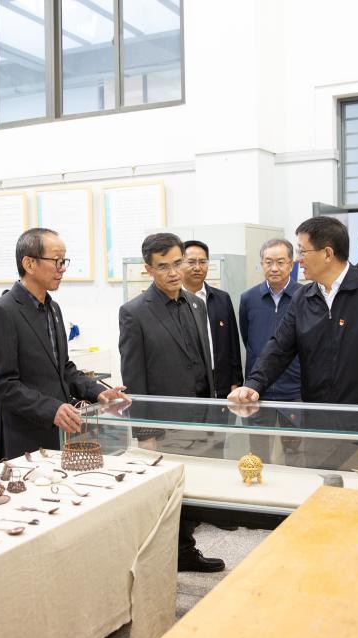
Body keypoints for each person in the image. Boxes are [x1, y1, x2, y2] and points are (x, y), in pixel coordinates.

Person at [119, 233, 225, 573]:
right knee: (169, 493)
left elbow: (204, 360)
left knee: (196, 491)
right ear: (148, 269)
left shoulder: (197, 304)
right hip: (167, 424)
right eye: (163, 266)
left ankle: (184, 550)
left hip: (203, 417)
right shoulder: (134, 312)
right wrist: (145, 432)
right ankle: (172, 554)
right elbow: (134, 377)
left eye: (178, 263)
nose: (174, 272)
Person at [229, 216, 358, 409]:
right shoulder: (303, 297)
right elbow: (279, 348)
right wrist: (253, 384)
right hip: (315, 410)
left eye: (302, 251)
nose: (298, 259)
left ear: (327, 253)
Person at [0, 229, 125, 460]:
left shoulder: (53, 308)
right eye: (57, 261)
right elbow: (2, 384)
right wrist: (51, 409)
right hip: (25, 434)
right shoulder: (2, 312)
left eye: (64, 261)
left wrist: (98, 391)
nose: (62, 268)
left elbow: (64, 368)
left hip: (59, 431)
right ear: (29, 263)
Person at [239, 238, 302, 459]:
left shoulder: (305, 296)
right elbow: (247, 338)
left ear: (291, 264)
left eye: (280, 262)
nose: (274, 268)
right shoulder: (249, 298)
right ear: (261, 264)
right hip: (257, 392)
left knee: (295, 453)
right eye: (268, 262)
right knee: (258, 454)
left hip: (294, 391)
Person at [180, 240, 243, 398]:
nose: (197, 267)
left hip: (220, 383)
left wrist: (236, 381)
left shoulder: (221, 299)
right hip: (188, 385)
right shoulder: (174, 301)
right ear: (180, 264)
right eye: (191, 262)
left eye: (202, 262)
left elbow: (233, 344)